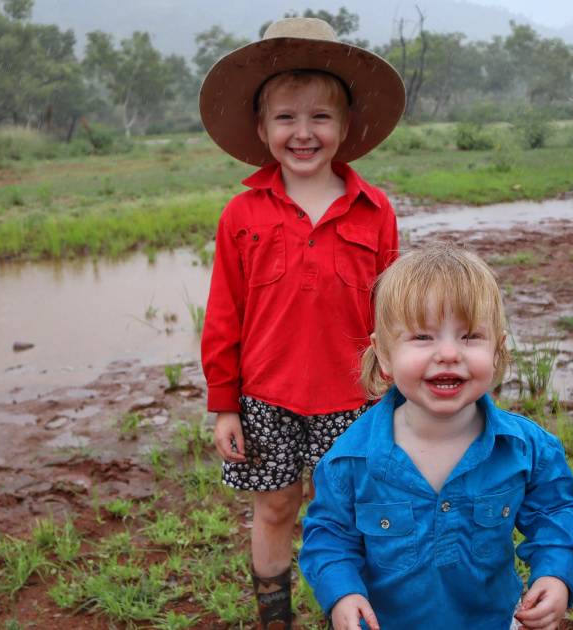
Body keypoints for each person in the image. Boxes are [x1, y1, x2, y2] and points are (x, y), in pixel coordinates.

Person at [197, 16, 406, 629]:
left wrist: (399, 390)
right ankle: (275, 617)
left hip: (357, 399)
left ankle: (360, 613)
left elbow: (394, 312)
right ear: (262, 129)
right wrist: (224, 403)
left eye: (320, 117)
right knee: (276, 506)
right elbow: (224, 314)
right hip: (267, 397)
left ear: (345, 128)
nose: (303, 132)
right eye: (286, 117)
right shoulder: (242, 213)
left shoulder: (375, 211)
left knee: (359, 512)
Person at [300, 244, 573, 630]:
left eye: (470, 336)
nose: (449, 353)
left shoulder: (525, 449)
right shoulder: (351, 459)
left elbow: (556, 514)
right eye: (423, 337)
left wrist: (555, 575)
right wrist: (343, 592)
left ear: (498, 350)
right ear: (384, 355)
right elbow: (330, 536)